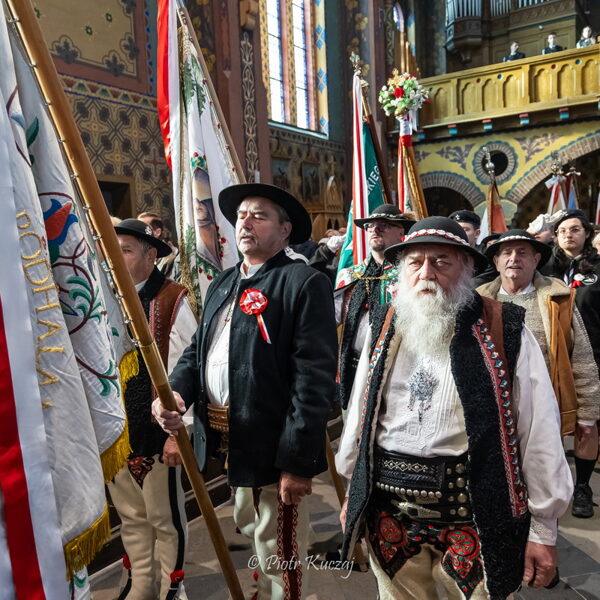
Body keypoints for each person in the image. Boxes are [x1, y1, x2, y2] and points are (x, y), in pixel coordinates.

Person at [337, 216, 572, 600]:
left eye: (441, 262)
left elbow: (538, 430)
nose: (426, 273)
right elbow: (360, 417)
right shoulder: (383, 324)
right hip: (388, 515)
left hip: (474, 517)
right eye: (415, 263)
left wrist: (543, 529)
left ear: (466, 268)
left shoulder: (504, 327)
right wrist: (354, 491)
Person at [152, 183, 337, 600]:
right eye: (241, 216)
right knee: (253, 529)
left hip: (276, 442)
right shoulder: (224, 282)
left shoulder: (302, 282)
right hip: (232, 440)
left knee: (281, 549)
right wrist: (177, 394)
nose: (245, 223)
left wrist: (297, 463)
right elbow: (197, 352)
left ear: (285, 230)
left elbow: (313, 380)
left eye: (259, 215)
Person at [478, 229, 600, 518]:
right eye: (506, 253)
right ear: (496, 262)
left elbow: (581, 357)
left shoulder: (559, 300)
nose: (514, 259)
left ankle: (541, 533)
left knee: (542, 480)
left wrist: (587, 412)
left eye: (522, 252)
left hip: (545, 408)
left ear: (536, 259)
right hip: (492, 409)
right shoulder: (478, 302)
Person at [110, 219, 197, 599]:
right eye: (112, 251)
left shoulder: (171, 298)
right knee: (131, 517)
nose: (116, 259)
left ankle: (171, 588)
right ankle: (141, 585)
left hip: (158, 431)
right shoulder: (105, 299)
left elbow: (186, 367)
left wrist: (179, 433)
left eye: (126, 251)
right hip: (118, 432)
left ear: (150, 255)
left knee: (164, 517)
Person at [541, 209, 600, 517]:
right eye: (562, 230)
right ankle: (548, 483)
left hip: (593, 356)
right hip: (550, 358)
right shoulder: (543, 266)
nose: (568, 234)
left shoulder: (598, 267)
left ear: (586, 233)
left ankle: (583, 487)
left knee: (587, 426)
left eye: (575, 229)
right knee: (547, 424)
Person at [333, 204, 414, 410]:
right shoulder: (350, 275)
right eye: (370, 226)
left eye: (383, 225)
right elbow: (330, 319)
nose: (375, 230)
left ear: (401, 231)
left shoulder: (410, 276)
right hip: (352, 367)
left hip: (396, 369)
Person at [138, 211, 180, 281]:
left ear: (157, 232)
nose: (138, 232)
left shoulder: (170, 261)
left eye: (143, 228)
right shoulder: (139, 257)